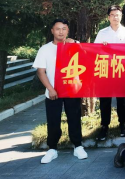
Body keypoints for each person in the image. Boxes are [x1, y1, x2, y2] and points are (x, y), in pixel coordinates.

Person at [33, 19, 87, 164]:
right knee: (53, 121)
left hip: (71, 90)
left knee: (74, 118)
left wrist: (74, 44)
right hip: (53, 92)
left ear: (68, 30)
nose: (61, 32)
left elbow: (89, 59)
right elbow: (40, 72)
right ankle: (52, 149)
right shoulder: (45, 49)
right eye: (58, 29)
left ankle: (78, 146)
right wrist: (50, 89)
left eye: (64, 29)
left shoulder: (75, 45)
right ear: (52, 31)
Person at [94, 5, 125, 140]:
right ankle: (104, 126)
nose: (115, 17)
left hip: (122, 70)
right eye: (113, 15)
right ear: (108, 17)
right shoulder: (102, 33)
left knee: (122, 99)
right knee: (105, 99)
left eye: (118, 15)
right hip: (106, 70)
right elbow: (95, 51)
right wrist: (102, 48)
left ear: (121, 16)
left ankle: (123, 124)